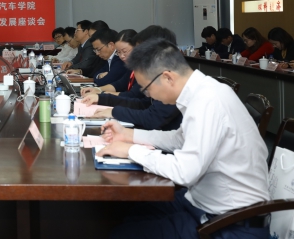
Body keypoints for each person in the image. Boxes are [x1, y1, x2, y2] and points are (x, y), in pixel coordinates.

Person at [98, 39, 269, 239]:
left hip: (228, 223)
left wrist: (130, 151)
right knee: (129, 214)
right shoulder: (202, 91)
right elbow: (179, 139)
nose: (148, 96)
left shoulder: (208, 101)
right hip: (201, 202)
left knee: (122, 233)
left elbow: (184, 171)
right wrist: (128, 135)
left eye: (146, 89)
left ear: (168, 77)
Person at [82, 26, 183, 132]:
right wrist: (103, 99)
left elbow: (152, 118)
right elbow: (144, 104)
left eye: (139, 51)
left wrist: (114, 112)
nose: (137, 56)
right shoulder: (162, 73)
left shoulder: (170, 79)